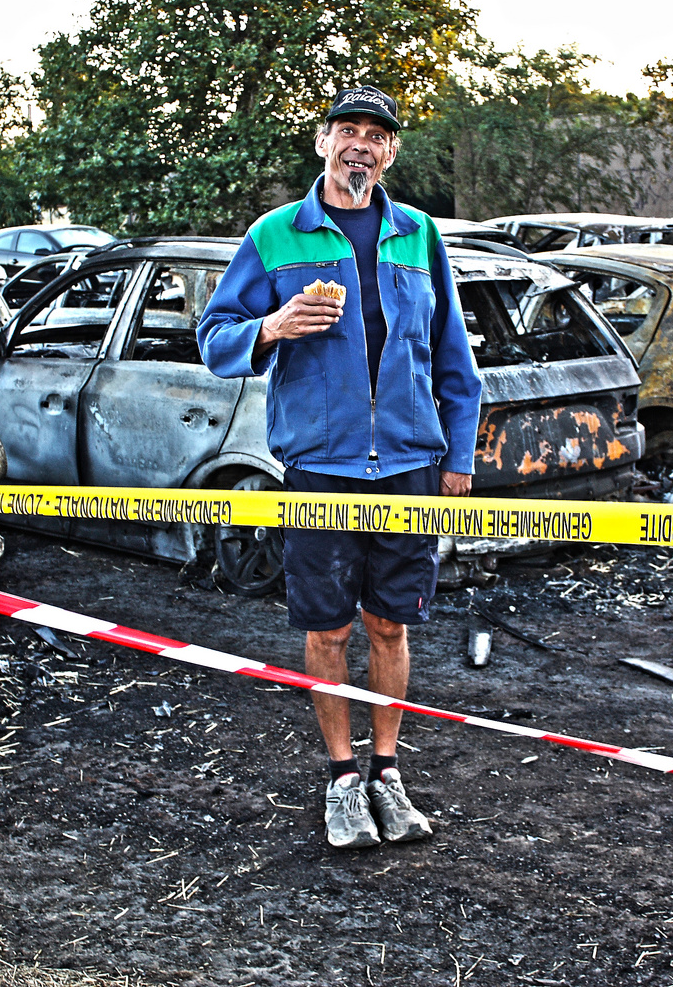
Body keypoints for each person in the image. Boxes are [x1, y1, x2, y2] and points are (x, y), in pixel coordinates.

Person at [197, 85, 482, 849]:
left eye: (377, 136)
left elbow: (454, 354)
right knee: (327, 630)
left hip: (410, 464)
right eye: (348, 131)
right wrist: (274, 325)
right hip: (320, 465)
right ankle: (341, 779)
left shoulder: (419, 236)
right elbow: (213, 337)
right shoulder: (275, 235)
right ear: (323, 142)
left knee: (390, 624)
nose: (362, 145)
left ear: (391, 152)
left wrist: (457, 453)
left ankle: (388, 772)